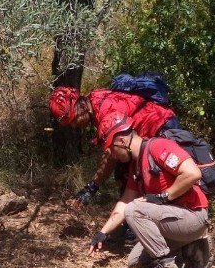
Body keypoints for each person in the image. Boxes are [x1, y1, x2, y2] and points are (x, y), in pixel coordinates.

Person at [87, 113, 211, 268]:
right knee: (135, 261)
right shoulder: (136, 166)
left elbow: (193, 173)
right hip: (173, 221)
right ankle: (192, 246)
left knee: (135, 210)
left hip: (193, 215)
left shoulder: (159, 147)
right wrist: (103, 232)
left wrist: (163, 196)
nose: (113, 156)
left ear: (122, 141)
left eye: (111, 149)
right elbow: (124, 202)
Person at [49, 86, 179, 206]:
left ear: (80, 107)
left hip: (160, 126)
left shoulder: (106, 112)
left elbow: (110, 156)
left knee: (154, 180)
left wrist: (91, 187)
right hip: (150, 128)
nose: (74, 126)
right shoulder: (93, 99)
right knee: (124, 176)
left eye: (74, 119)